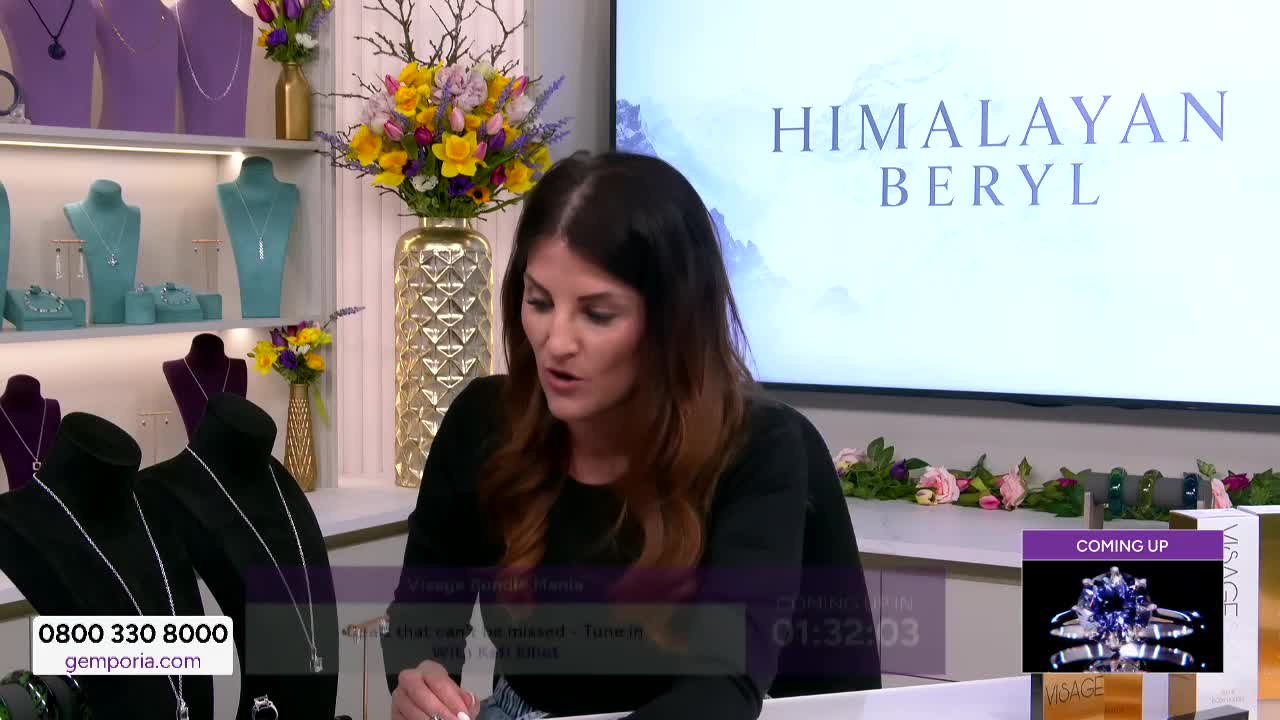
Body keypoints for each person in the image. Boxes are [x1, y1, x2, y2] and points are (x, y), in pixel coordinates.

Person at [385, 152, 827, 720]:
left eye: (596, 315)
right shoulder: (481, 422)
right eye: (538, 302)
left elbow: (723, 686)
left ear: (672, 325)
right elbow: (422, 619)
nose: (555, 341)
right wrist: (419, 680)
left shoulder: (759, 448)